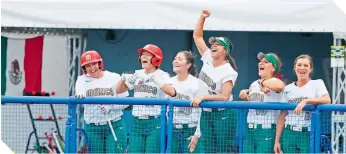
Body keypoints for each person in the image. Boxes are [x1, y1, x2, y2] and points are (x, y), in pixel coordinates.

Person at [190, 9, 239, 153]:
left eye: (218, 44)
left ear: (226, 51)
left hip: (223, 114)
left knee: (223, 149)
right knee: (208, 149)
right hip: (206, 112)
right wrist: (202, 18)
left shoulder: (229, 71)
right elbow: (197, 36)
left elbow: (224, 96)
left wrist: (203, 97)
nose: (213, 45)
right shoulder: (207, 59)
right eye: (213, 43)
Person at [116, 44, 176, 153]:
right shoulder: (137, 74)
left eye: (148, 55)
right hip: (137, 122)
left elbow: (172, 92)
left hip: (154, 121)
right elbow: (119, 90)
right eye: (142, 54)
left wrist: (156, 79)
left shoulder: (162, 75)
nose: (143, 57)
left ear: (156, 59)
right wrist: (122, 79)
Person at [274, 54, 331, 154]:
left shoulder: (317, 83)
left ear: (311, 69)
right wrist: (277, 141)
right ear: (294, 68)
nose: (302, 68)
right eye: (299, 65)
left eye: (305, 65)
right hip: (289, 133)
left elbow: (327, 99)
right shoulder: (288, 89)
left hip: (308, 133)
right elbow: (282, 115)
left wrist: (306, 101)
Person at [75, 50, 129, 153]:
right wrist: (80, 93)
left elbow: (126, 102)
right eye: (88, 66)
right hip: (93, 126)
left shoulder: (114, 77)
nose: (92, 68)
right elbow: (79, 90)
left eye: (94, 64)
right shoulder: (81, 80)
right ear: (84, 68)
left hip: (114, 124)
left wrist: (111, 106)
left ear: (100, 63)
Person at [239, 52, 286, 153]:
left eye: (266, 62)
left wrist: (263, 82)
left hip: (266, 131)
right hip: (250, 130)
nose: (261, 63)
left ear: (273, 68)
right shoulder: (254, 83)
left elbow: (280, 86)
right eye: (260, 61)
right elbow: (256, 101)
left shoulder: (274, 81)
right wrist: (245, 95)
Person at [166, 50, 206, 153]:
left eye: (179, 59)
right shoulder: (169, 82)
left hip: (191, 130)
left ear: (188, 64)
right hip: (173, 130)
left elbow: (202, 111)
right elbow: (165, 109)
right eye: (175, 59)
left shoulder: (196, 83)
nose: (175, 61)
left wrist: (197, 134)